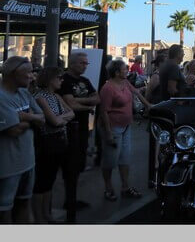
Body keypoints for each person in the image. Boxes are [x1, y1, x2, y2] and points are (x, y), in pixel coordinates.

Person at [0, 56, 45, 223]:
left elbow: (42, 117)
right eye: (28, 73)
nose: (32, 77)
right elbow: (13, 130)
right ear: (12, 74)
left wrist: (23, 116)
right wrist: (32, 119)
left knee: (23, 205)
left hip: (27, 162)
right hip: (5, 167)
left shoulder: (24, 93)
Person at [98, 60, 152, 201]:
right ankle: (108, 188)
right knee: (110, 160)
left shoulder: (125, 83)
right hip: (113, 128)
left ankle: (125, 187)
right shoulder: (108, 88)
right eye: (124, 69)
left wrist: (149, 105)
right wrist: (108, 133)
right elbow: (104, 112)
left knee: (125, 158)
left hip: (126, 126)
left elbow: (137, 93)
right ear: (116, 72)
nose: (127, 71)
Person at [32, 66, 75, 223]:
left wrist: (60, 119)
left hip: (58, 142)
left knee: (49, 180)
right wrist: (62, 119)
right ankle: (39, 217)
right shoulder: (40, 97)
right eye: (59, 78)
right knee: (42, 181)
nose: (61, 80)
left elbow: (71, 112)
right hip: (47, 144)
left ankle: (46, 213)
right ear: (50, 80)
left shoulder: (55, 96)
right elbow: (56, 120)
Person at [58, 51, 100, 210]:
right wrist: (87, 105)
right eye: (82, 63)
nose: (85, 66)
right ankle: (69, 201)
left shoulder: (85, 80)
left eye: (86, 63)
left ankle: (72, 199)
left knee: (79, 164)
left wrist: (78, 101)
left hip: (83, 128)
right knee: (70, 166)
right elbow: (69, 104)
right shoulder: (64, 80)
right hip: (68, 129)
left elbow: (97, 98)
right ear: (73, 63)